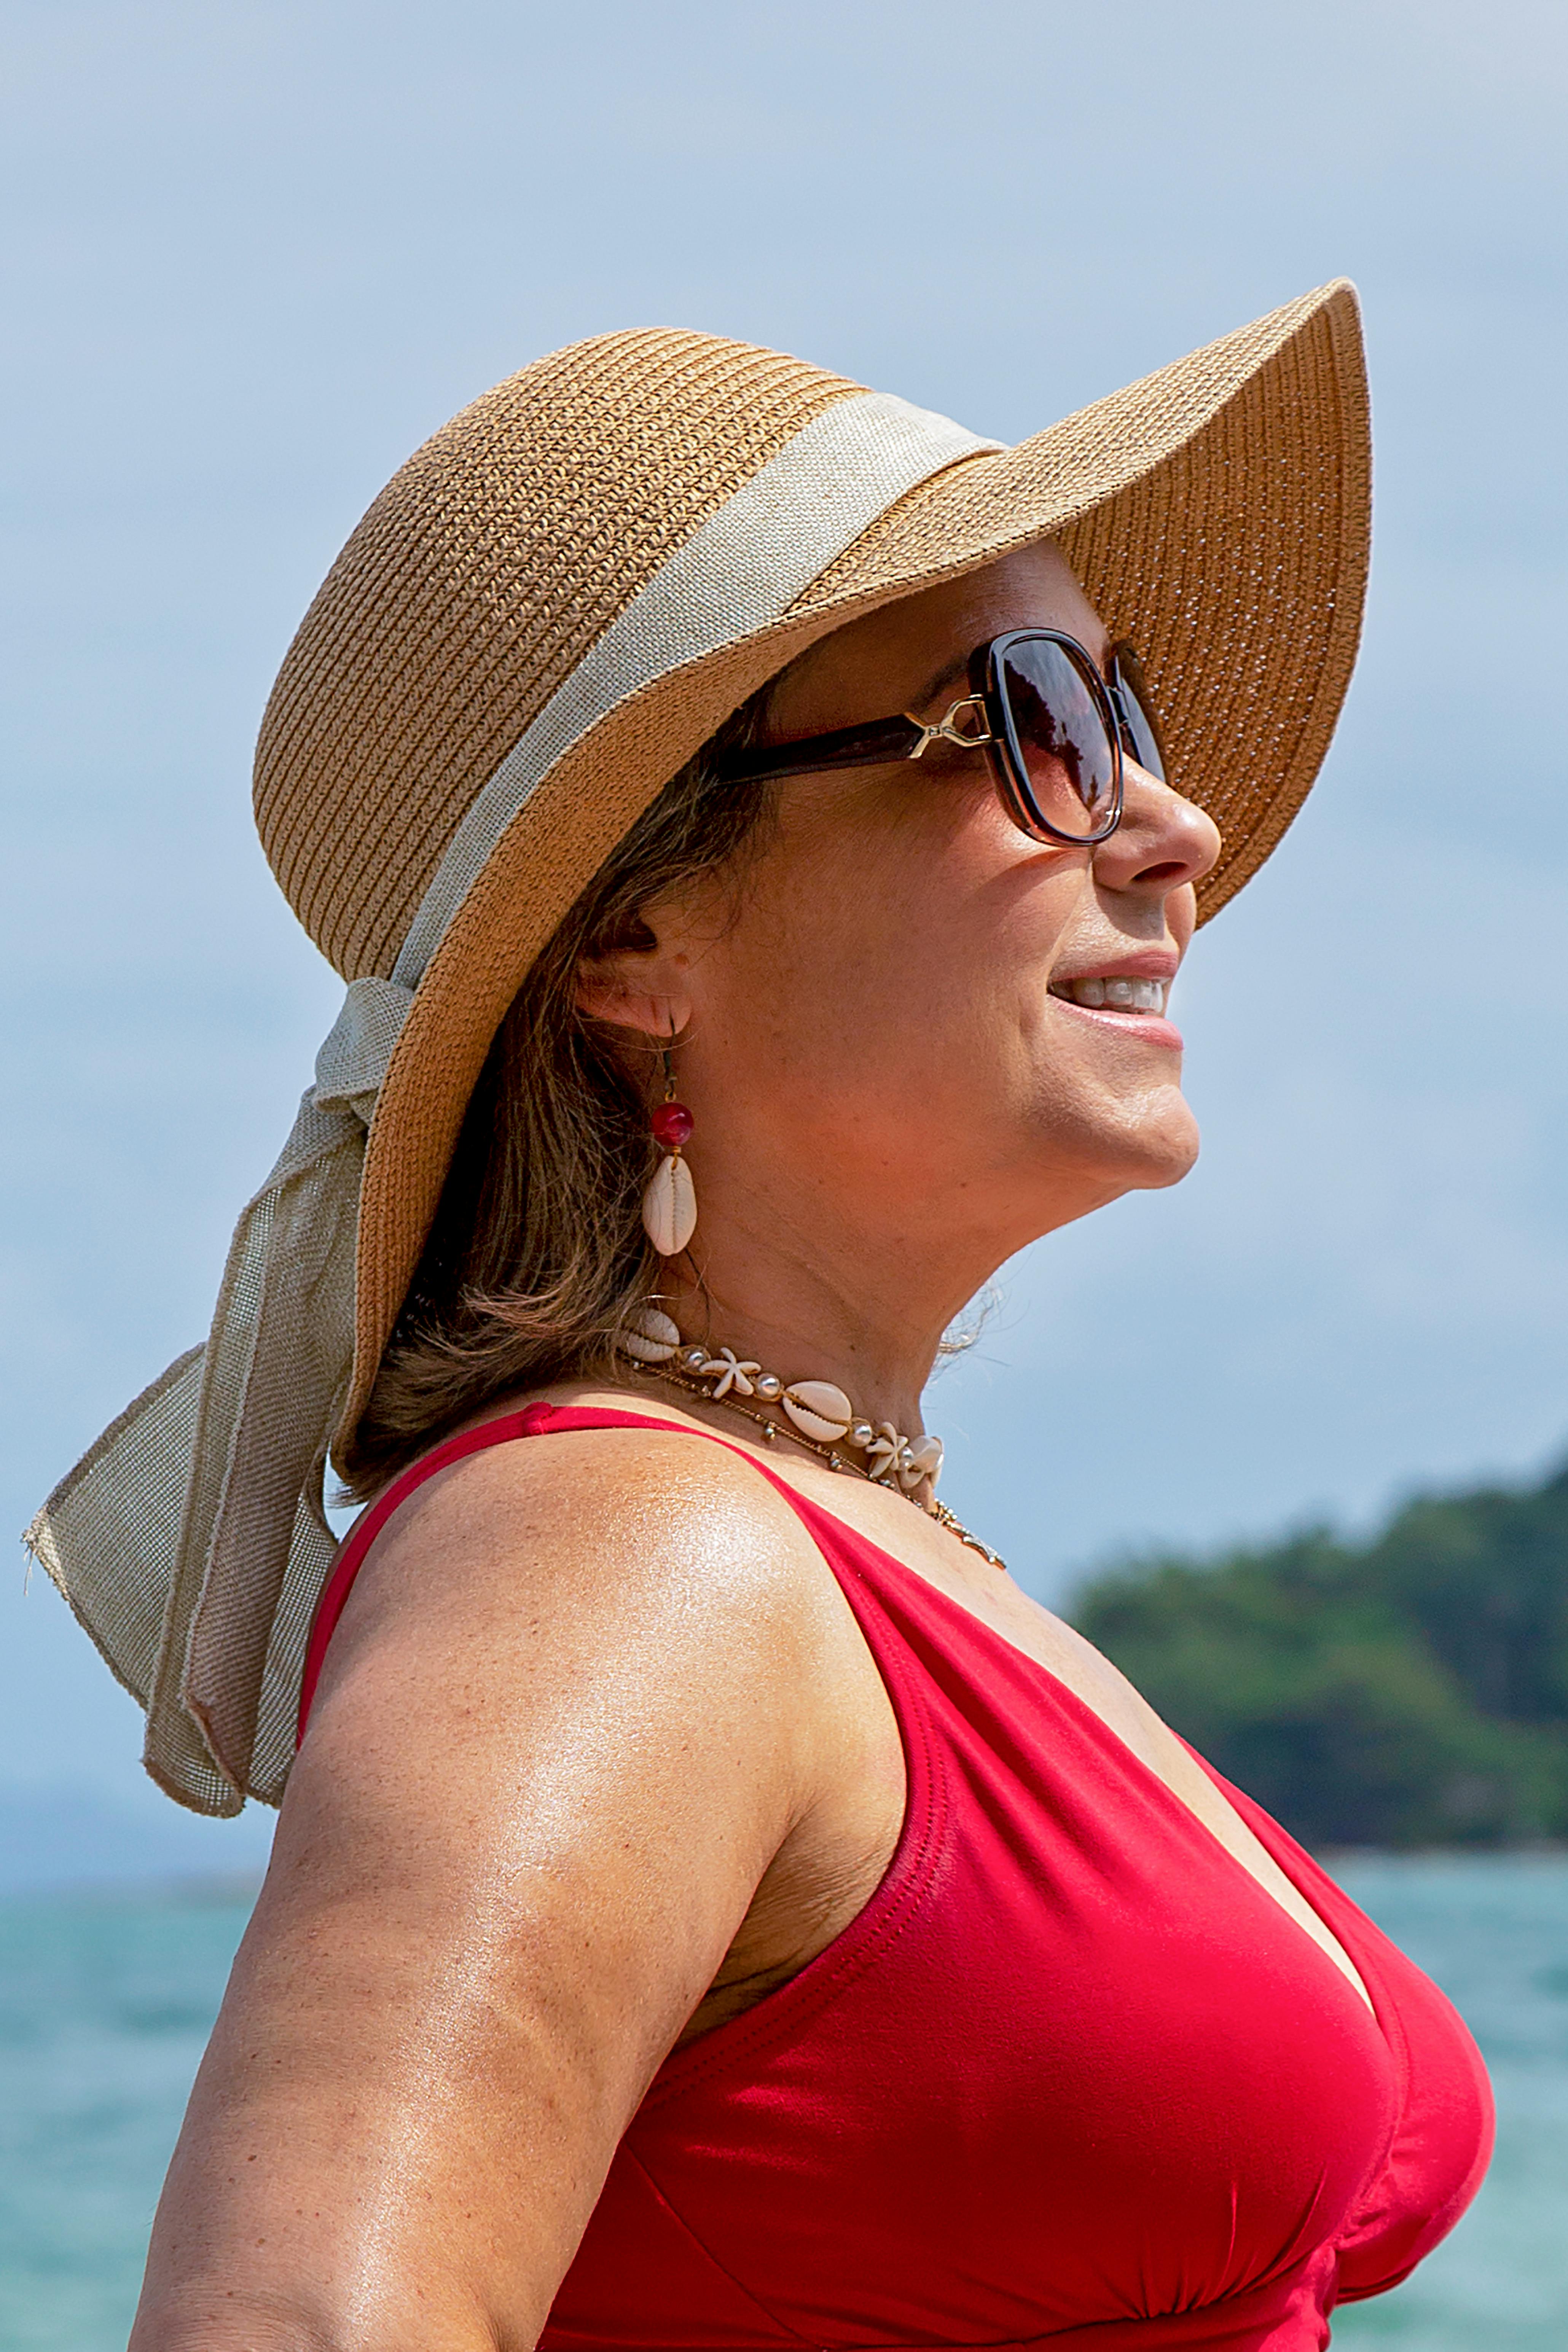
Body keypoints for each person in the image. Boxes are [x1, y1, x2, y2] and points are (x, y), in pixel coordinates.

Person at [32, 283, 1491, 2351]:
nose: (1174, 826)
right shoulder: (617, 1555)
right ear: (635, 930)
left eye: (1130, 717)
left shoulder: (822, 1536)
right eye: (1026, 723)